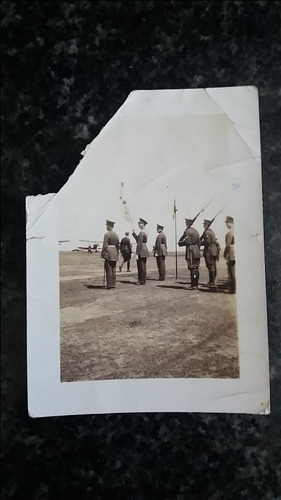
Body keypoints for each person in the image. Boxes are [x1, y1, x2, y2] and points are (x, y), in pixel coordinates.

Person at [178, 218, 201, 290]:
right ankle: (196, 284)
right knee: (196, 268)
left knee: (192, 268)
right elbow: (199, 242)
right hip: (196, 250)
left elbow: (187, 241)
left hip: (191, 251)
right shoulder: (196, 231)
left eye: (186, 222)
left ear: (187, 223)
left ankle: (193, 285)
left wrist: (180, 242)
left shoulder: (187, 231)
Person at [101, 220, 119, 289]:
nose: (106, 226)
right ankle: (113, 284)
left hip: (108, 253)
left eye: (106, 225)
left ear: (109, 226)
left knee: (108, 269)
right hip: (114, 253)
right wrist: (116, 253)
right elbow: (117, 246)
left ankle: (109, 284)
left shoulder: (106, 234)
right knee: (113, 270)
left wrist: (103, 255)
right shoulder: (116, 235)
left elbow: (105, 246)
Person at [200, 219, 219, 286]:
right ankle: (213, 280)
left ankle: (211, 281)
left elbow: (207, 242)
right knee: (213, 266)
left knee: (210, 266)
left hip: (209, 251)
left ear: (206, 225)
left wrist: (199, 243)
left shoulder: (207, 232)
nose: (203, 225)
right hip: (213, 251)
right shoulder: (211, 231)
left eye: (204, 224)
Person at [132, 218, 149, 285]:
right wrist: (134, 234)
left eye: (140, 223)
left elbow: (139, 243)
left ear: (143, 224)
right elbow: (138, 240)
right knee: (143, 265)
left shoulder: (141, 232)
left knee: (141, 266)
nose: (139, 224)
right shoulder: (144, 232)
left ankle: (142, 280)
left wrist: (137, 253)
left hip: (141, 250)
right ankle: (142, 280)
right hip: (144, 249)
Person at [224, 216, 236, 294]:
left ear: (230, 222)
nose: (226, 224)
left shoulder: (229, 233)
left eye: (227, 223)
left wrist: (225, 254)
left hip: (232, 253)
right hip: (237, 253)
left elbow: (228, 245)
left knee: (232, 272)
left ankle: (233, 289)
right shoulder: (236, 231)